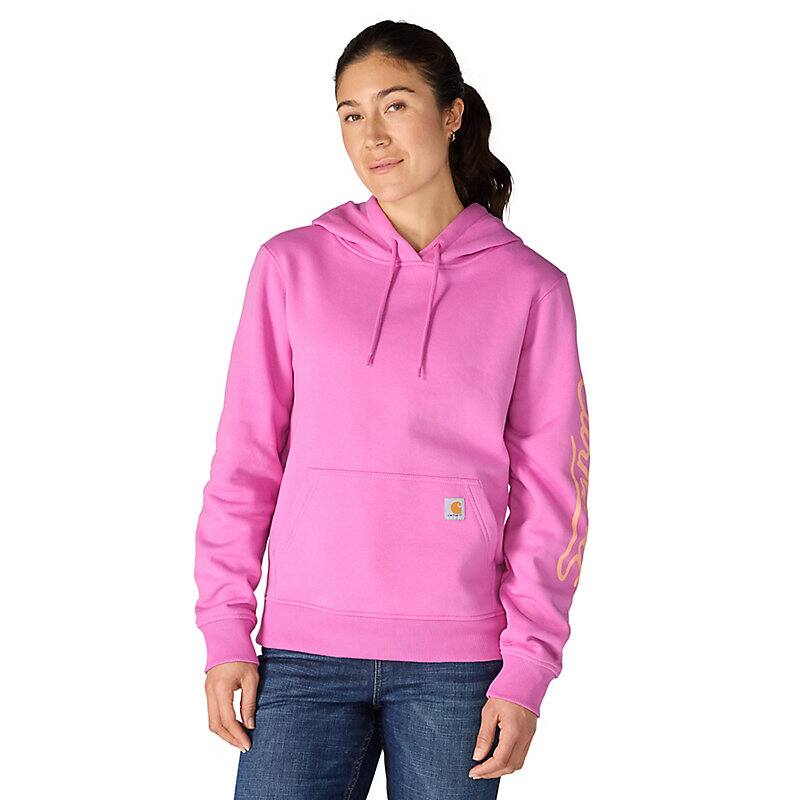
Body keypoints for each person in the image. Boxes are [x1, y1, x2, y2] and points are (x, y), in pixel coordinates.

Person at [194, 19, 591, 800]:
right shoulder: (291, 265)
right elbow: (244, 462)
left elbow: (556, 494)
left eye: (396, 105)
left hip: (459, 666)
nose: (371, 135)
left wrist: (529, 665)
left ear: (453, 114)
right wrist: (224, 628)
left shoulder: (531, 288)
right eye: (351, 113)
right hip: (301, 655)